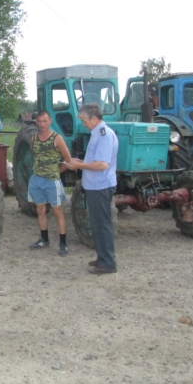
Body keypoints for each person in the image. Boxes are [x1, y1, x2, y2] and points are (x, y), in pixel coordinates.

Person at [67, 103, 119, 274]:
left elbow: (102, 164)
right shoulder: (97, 134)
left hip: (100, 186)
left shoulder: (103, 135)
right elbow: (95, 160)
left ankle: (108, 263)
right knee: (96, 224)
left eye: (85, 120)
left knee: (102, 224)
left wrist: (80, 167)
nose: (83, 124)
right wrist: (81, 162)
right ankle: (102, 257)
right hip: (95, 186)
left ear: (95, 118)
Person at [28, 111, 74, 256]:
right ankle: (44, 239)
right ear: (36, 122)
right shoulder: (33, 138)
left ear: (50, 121)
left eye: (44, 121)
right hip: (36, 179)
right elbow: (35, 156)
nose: (42, 124)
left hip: (52, 181)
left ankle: (63, 244)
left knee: (57, 211)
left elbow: (68, 159)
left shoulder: (57, 138)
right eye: (39, 121)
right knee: (40, 210)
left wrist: (56, 172)